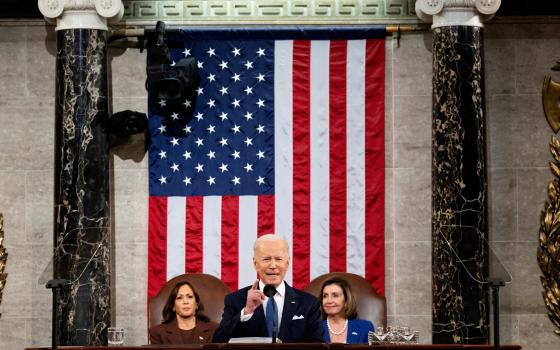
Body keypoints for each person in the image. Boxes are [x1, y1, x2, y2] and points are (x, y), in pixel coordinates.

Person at [212, 234, 323, 342]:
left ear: (287, 263)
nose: (273, 266)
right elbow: (219, 341)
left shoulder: (309, 303)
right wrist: (246, 312)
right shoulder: (235, 300)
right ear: (255, 264)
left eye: (278, 259)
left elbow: (318, 346)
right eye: (266, 259)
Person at [149, 281, 218, 344]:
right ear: (173, 306)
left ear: (196, 304)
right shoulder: (158, 333)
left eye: (190, 297)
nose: (185, 302)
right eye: (179, 298)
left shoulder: (215, 329)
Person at [319, 277, 374, 344]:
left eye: (335, 295)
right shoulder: (314, 328)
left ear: (346, 300)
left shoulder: (365, 327)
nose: (329, 301)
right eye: (325, 296)